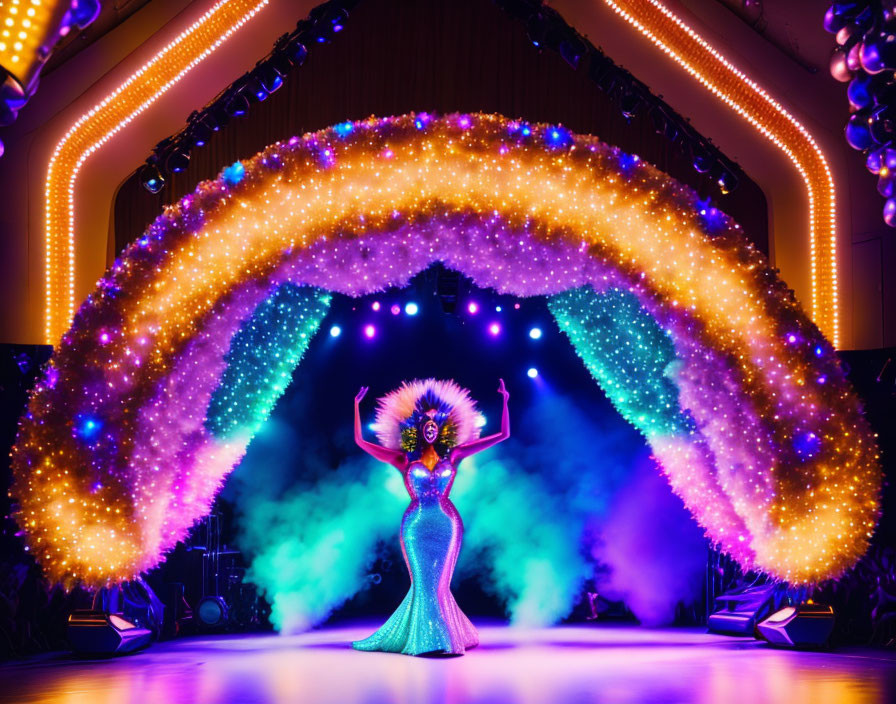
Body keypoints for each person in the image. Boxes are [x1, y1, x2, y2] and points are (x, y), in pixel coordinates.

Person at [351, 378, 510, 656]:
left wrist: (505, 401)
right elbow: (360, 441)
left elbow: (503, 435)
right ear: (419, 429)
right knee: (424, 582)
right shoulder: (404, 460)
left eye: (435, 426)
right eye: (426, 425)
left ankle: (438, 637)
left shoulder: (456, 454)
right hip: (416, 523)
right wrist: (356, 406)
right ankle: (430, 640)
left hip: (447, 522)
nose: (431, 429)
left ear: (440, 431)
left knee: (438, 583)